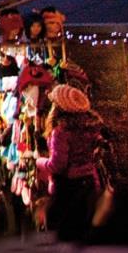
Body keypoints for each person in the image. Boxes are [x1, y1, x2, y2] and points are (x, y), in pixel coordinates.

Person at [37, 84, 108, 242]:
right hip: (89, 184)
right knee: (84, 233)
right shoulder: (92, 127)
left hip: (67, 189)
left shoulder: (61, 132)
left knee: (63, 236)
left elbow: (58, 165)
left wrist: (40, 162)